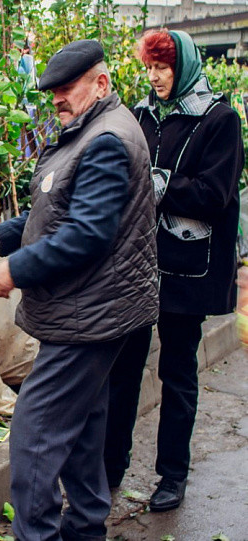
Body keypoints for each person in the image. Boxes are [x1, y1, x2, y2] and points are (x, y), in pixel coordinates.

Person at [0, 39, 158, 541]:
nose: (58, 100)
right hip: (92, 309)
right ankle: (86, 529)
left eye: (67, 89)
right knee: (84, 429)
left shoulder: (106, 140)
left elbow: (87, 234)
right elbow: (58, 212)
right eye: (53, 93)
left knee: (34, 434)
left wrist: (15, 268)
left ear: (101, 83)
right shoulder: (92, 131)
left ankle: (39, 535)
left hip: (89, 313)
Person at [103, 30, 244, 512]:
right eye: (149, 68)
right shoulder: (141, 116)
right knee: (123, 368)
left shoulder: (220, 120)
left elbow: (215, 195)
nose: (155, 77)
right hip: (140, 263)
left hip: (188, 269)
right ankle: (109, 468)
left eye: (163, 67)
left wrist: (158, 183)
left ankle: (172, 476)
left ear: (182, 66)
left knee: (178, 370)